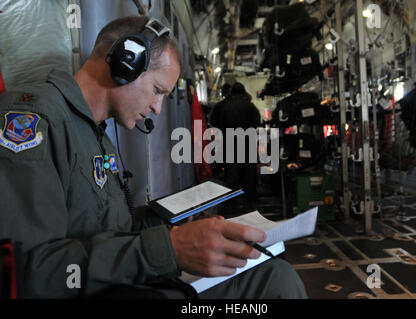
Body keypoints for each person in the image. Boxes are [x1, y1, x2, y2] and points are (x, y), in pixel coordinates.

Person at [0, 15, 307, 299]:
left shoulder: (98, 136)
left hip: (125, 281)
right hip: (102, 290)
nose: (158, 108)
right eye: (157, 90)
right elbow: (31, 274)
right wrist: (168, 249)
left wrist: (177, 228)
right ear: (126, 63)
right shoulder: (34, 121)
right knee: (274, 287)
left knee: (274, 275)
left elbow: (110, 232)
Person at [218, 82, 261, 205]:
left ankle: (232, 200)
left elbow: (219, 123)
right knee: (249, 171)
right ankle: (251, 198)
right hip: (247, 141)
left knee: (232, 171)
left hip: (231, 141)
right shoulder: (250, 106)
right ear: (243, 92)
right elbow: (256, 122)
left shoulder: (226, 106)